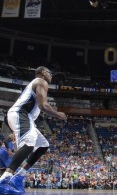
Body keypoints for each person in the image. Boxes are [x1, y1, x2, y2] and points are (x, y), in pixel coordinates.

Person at [0, 66, 67, 195]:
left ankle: (18, 177)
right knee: (29, 142)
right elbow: (43, 106)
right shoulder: (41, 81)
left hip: (25, 117)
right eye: (49, 73)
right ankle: (4, 179)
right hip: (21, 113)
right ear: (42, 73)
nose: (51, 75)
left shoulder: (36, 83)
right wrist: (59, 114)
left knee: (43, 145)